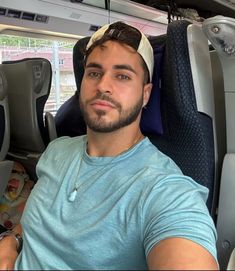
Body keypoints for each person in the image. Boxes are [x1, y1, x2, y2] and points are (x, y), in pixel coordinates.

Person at [0, 21, 218, 270]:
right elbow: (38, 215)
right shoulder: (56, 150)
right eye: (94, 73)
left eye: (122, 75)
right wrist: (13, 240)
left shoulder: (165, 191)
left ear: (145, 94)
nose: (103, 85)